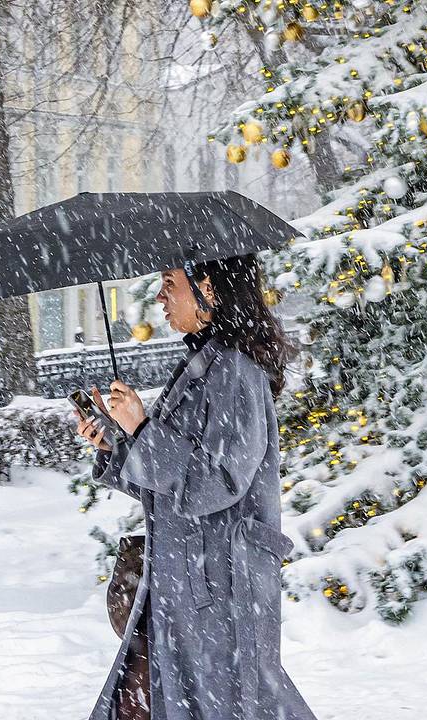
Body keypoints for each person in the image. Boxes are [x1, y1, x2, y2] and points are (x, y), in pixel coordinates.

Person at [75, 253, 317, 720]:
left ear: (209, 290)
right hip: (185, 583)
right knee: (146, 702)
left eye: (170, 283)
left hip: (218, 587)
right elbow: (170, 485)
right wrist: (114, 444)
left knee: (225, 705)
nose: (161, 297)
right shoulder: (204, 366)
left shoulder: (235, 371)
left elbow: (217, 482)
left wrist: (143, 429)